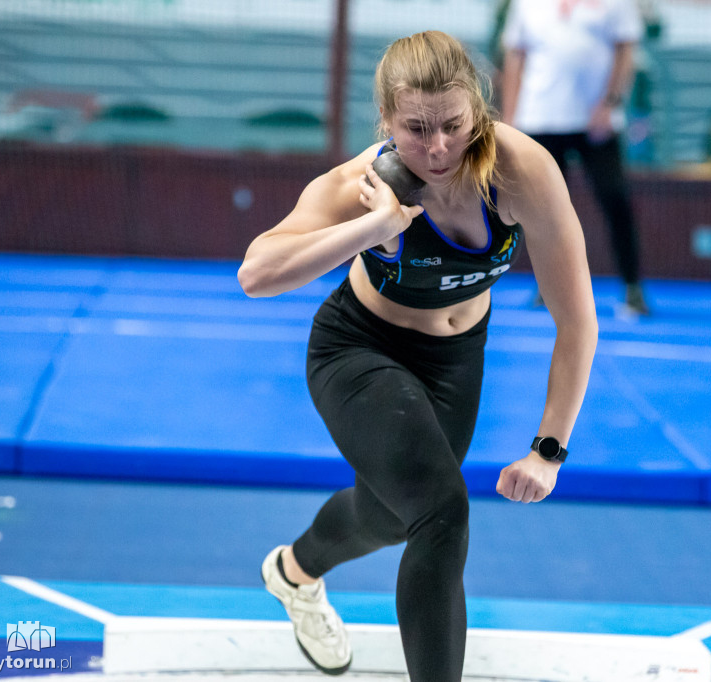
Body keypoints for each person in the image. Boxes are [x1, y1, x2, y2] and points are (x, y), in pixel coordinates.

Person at [237, 31, 598, 681]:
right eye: (415, 129)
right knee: (441, 510)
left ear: (480, 112)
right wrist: (372, 229)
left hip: (456, 360)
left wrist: (549, 449)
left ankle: (294, 572)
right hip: (359, 349)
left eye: (454, 126)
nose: (436, 148)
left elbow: (576, 320)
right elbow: (257, 274)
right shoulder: (361, 185)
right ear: (385, 122)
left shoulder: (523, 172)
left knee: (391, 517)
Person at [500, 0, 651, 316]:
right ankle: (548, 286)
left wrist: (610, 103)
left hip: (595, 121)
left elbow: (626, 51)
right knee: (545, 209)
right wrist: (509, 120)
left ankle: (632, 288)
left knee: (614, 199)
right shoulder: (526, 4)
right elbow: (516, 55)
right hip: (540, 119)